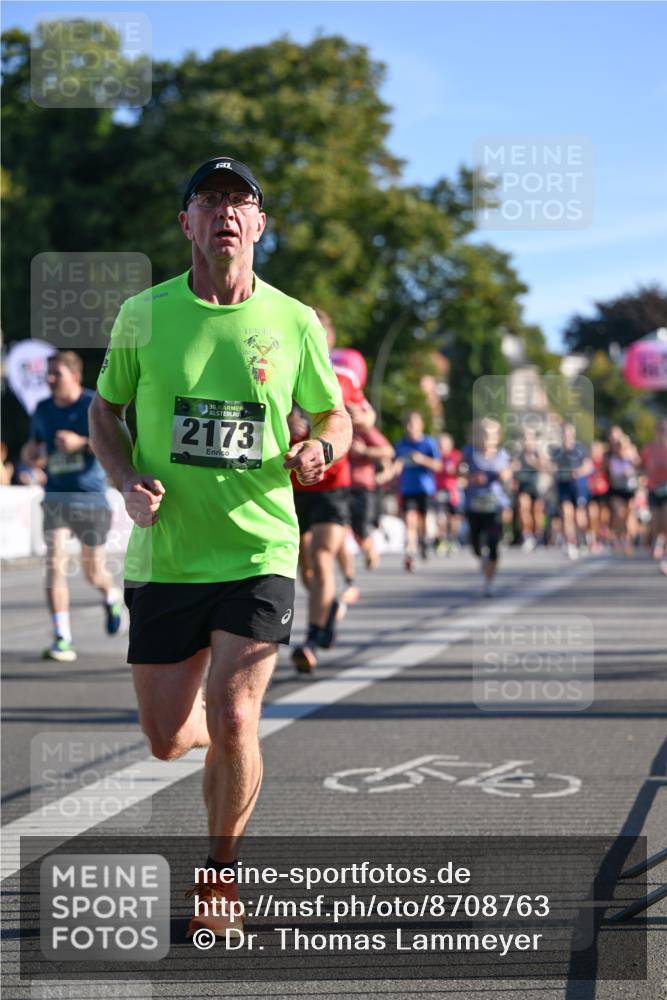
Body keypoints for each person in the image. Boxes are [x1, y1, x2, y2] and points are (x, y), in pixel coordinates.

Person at [89, 156, 351, 937]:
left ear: (259, 226)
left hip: (258, 549)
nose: (226, 213)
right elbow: (106, 412)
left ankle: (219, 879)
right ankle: (207, 733)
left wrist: (321, 453)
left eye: (241, 202)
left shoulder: (295, 320)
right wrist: (125, 475)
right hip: (166, 555)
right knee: (169, 740)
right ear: (187, 224)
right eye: (209, 200)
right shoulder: (144, 314)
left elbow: (333, 417)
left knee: (238, 718)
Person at [22, 351, 122, 662]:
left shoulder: (93, 404)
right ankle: (62, 637)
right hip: (56, 497)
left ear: (75, 376)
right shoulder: (42, 409)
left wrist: (81, 443)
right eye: (48, 375)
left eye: (57, 374)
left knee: (93, 572)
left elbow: (118, 442)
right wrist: (32, 454)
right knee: (54, 564)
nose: (50, 380)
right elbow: (35, 447)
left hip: (91, 499)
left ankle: (110, 594)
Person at [289, 311, 371, 673]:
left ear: (330, 343)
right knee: (303, 563)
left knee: (322, 556)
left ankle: (312, 638)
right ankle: (329, 608)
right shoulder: (283, 371)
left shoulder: (343, 379)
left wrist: (355, 415)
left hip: (333, 483)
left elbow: (367, 417)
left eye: (321, 336)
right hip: (291, 483)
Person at [460, 418, 512, 597]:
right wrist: (472, 477)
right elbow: (460, 472)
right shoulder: (469, 453)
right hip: (474, 505)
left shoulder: (502, 455)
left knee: (493, 543)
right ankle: (482, 561)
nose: (486, 439)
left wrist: (504, 475)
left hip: (494, 505)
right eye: (483, 435)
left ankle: (489, 582)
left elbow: (508, 473)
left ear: (497, 438)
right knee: (475, 543)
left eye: (490, 436)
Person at [394, 411, 441, 572]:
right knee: (410, 520)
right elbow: (396, 464)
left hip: (425, 489)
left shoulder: (429, 443)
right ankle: (411, 553)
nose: (410, 427)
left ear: (421, 425)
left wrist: (422, 460)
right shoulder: (401, 445)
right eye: (407, 423)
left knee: (424, 522)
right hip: (407, 488)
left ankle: (424, 541)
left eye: (413, 423)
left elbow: (438, 466)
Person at [549, 422, 592, 560]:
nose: (566, 436)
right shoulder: (557, 451)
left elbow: (589, 465)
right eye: (564, 433)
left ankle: (583, 537)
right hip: (563, 485)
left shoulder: (580, 449)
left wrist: (579, 472)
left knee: (579, 519)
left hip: (578, 486)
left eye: (568, 433)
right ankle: (570, 543)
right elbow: (551, 466)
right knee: (566, 514)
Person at [605, 426, 640, 555]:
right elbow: (607, 470)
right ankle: (618, 538)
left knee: (629, 516)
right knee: (619, 514)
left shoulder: (631, 452)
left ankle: (627, 539)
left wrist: (632, 463)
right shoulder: (609, 455)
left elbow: (639, 466)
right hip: (616, 489)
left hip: (630, 489)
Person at [512, 427, 547, 551]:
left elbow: (546, 468)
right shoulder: (518, 454)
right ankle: (527, 536)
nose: (527, 441)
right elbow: (512, 469)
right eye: (525, 438)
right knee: (523, 508)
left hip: (536, 487)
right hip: (523, 486)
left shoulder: (538, 453)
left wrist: (534, 462)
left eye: (530, 438)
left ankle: (538, 536)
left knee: (537, 514)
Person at [641, 417, 667, 572]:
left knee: (666, 520)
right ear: (656, 431)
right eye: (661, 429)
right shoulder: (649, 449)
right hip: (654, 488)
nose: (663, 432)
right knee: (657, 524)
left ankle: (664, 555)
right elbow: (642, 467)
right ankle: (658, 543)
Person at [434, 433, 463, 555]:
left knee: (454, 517)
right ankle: (441, 540)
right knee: (440, 517)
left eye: (444, 444)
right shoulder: (435, 457)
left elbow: (461, 471)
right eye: (439, 444)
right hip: (439, 490)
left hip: (452, 490)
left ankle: (453, 540)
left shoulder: (456, 455)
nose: (442, 447)